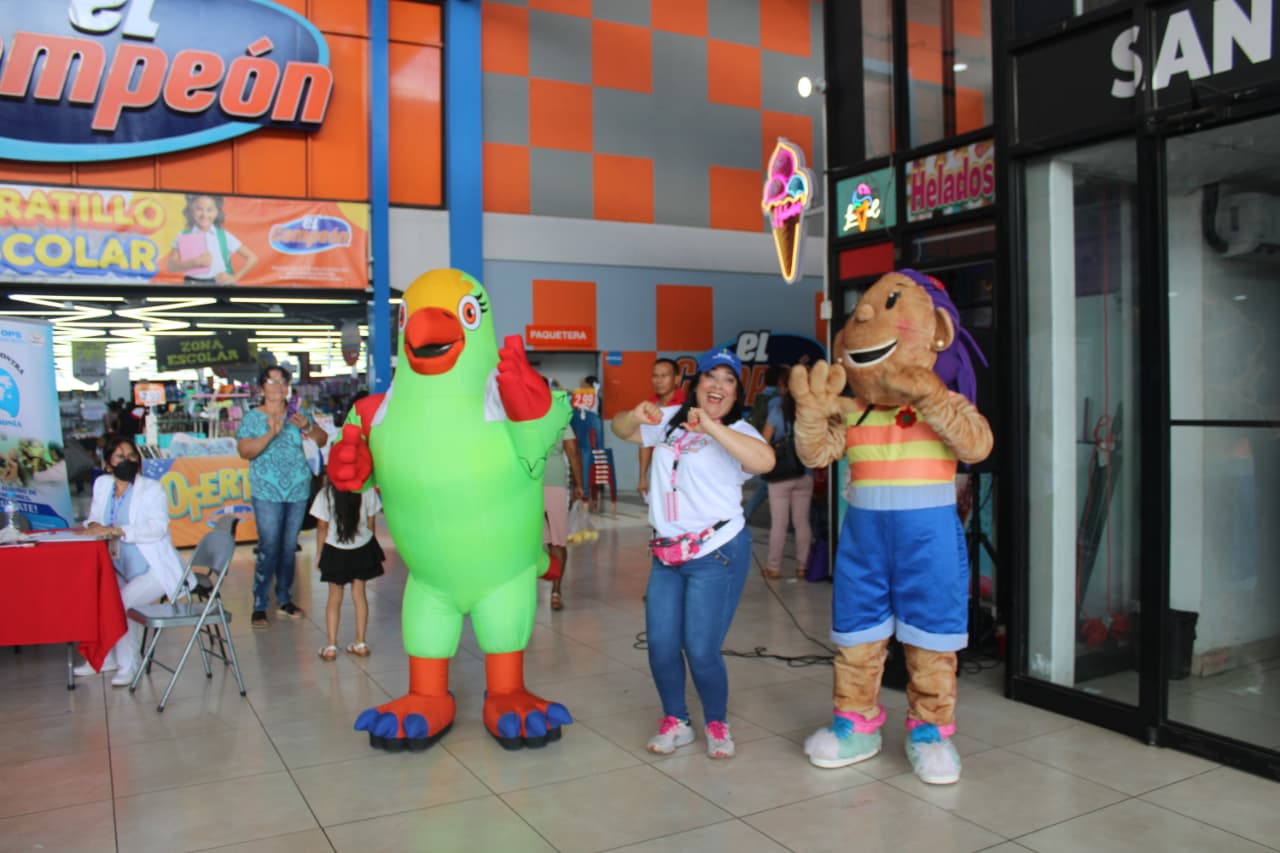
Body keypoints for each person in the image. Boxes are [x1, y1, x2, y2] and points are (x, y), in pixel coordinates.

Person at [611, 347, 774, 760]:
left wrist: (713, 428)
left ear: (736, 393)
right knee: (661, 645)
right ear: (696, 383)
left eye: (728, 380)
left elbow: (765, 461)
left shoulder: (740, 431)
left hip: (715, 553)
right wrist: (635, 415)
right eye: (710, 377)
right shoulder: (670, 420)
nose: (718, 386)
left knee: (701, 648)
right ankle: (677, 721)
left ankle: (717, 722)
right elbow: (622, 430)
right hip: (667, 554)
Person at [75, 435, 191, 686]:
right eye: (119, 456)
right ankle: (103, 659)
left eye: (131, 456)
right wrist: (94, 525)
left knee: (122, 604)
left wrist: (118, 530)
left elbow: (157, 528)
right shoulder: (103, 485)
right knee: (101, 598)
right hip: (118, 565)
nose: (126, 460)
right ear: (108, 464)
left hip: (153, 569)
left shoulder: (151, 488)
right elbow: (93, 517)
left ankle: (129, 665)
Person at [237, 365, 328, 628]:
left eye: (282, 382)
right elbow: (245, 451)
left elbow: (322, 440)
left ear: (288, 387)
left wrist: (308, 426)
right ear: (261, 387)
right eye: (271, 381)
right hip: (267, 491)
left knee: (289, 546)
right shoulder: (253, 418)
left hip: (297, 489)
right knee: (269, 546)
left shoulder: (298, 414)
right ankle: (260, 603)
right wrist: (271, 433)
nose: (277, 386)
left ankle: (285, 598)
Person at [311, 475, 385, 660]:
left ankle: (331, 646)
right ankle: (360, 643)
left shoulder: (326, 494)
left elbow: (322, 527)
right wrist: (367, 542)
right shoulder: (367, 491)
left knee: (334, 599)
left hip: (335, 551)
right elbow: (371, 522)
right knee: (360, 595)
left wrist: (319, 554)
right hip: (362, 549)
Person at [760, 367, 813, 579]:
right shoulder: (808, 411)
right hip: (805, 472)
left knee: (779, 524)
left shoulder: (777, 410)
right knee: (802, 522)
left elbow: (764, 442)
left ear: (783, 387)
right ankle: (802, 567)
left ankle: (773, 568)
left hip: (780, 475)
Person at [167, 193, 259, 284]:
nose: (204, 214)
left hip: (218, 284)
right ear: (191, 211)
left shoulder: (223, 236)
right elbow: (171, 266)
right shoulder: (183, 235)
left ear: (216, 212)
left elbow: (252, 258)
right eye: (199, 209)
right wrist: (195, 262)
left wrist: (234, 278)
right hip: (192, 284)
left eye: (209, 210)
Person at [543, 422, 584, 611]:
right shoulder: (560, 417)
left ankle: (527, 591)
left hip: (525, 484)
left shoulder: (520, 415)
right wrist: (579, 484)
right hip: (555, 483)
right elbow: (572, 452)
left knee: (535, 541)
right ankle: (555, 592)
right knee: (557, 540)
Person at [637, 358, 686, 501]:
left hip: (684, 472)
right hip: (659, 470)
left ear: (676, 379)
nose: (659, 381)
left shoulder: (688, 404)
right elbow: (645, 444)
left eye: (664, 376)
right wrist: (642, 477)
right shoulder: (649, 406)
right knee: (660, 510)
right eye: (655, 376)